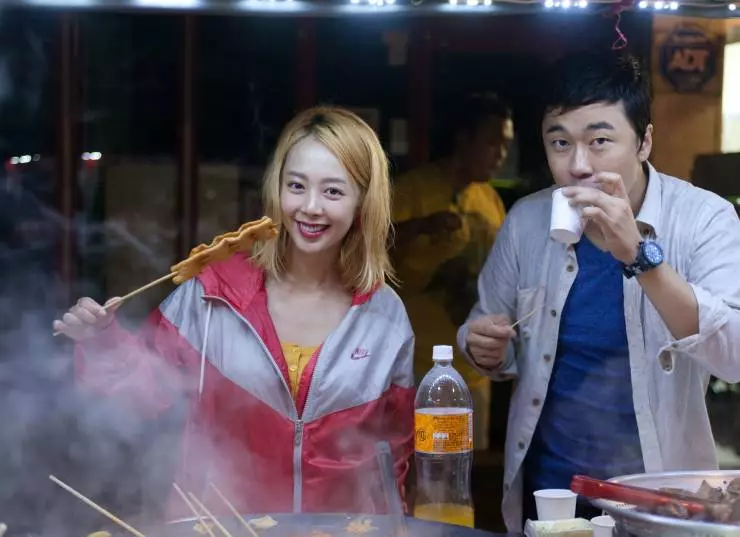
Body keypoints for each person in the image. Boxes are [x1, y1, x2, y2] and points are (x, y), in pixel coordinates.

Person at [53, 106, 415, 519]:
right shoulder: (213, 294)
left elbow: (393, 459)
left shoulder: (385, 316)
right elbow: (143, 391)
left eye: (333, 192)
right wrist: (101, 341)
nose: (310, 207)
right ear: (276, 189)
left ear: (363, 202)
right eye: (296, 186)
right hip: (221, 526)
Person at [457, 50, 740, 531]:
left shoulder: (704, 218)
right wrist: (482, 346)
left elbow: (732, 354)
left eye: (600, 141)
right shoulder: (526, 222)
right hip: (552, 493)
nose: (578, 165)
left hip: (661, 499)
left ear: (644, 142)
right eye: (560, 143)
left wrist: (639, 256)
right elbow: (486, 333)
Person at [392, 93, 514, 451]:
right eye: (492, 142)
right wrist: (422, 226)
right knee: (422, 466)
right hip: (420, 364)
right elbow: (373, 249)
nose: (500, 155)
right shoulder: (412, 190)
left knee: (468, 470)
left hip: (474, 370)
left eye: (505, 146)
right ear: (464, 138)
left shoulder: (490, 200)